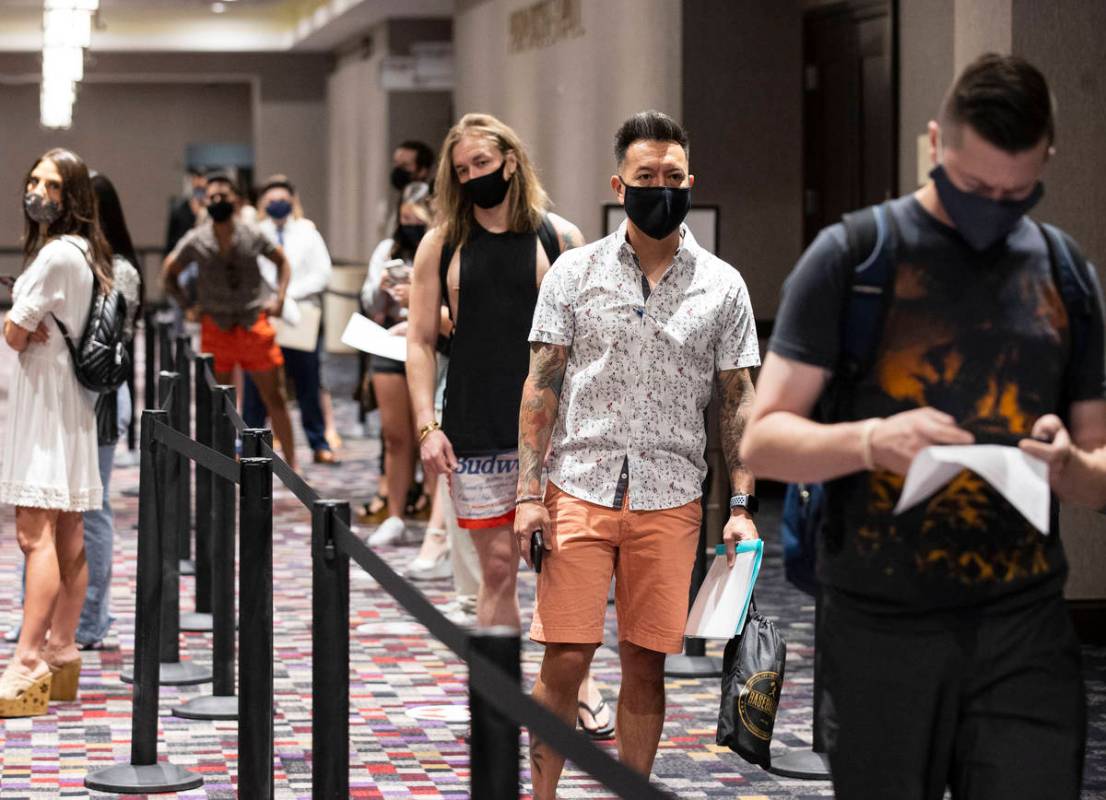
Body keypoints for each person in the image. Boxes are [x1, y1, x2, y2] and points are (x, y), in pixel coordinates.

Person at [740, 54, 1106, 800]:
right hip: (882, 626)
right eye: (974, 187)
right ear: (937, 143)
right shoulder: (854, 257)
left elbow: (1098, 458)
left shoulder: (1063, 271)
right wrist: (870, 441)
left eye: (1016, 193)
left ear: (1046, 159)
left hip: (1024, 626)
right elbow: (763, 440)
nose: (993, 207)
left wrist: (1074, 467)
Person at [515, 111, 761, 795]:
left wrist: (742, 505)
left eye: (673, 177)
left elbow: (738, 401)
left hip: (672, 494)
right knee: (566, 659)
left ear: (691, 182)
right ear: (619, 185)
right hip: (579, 485)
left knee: (646, 663)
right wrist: (528, 496)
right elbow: (541, 385)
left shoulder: (723, 285)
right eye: (647, 176)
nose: (662, 188)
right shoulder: (574, 273)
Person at [408, 112, 616, 740]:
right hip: (475, 422)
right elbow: (419, 341)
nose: (474, 176)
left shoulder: (561, 236)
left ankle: (581, 685)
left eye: (482, 163)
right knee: (497, 569)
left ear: (510, 161)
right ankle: (497, 699)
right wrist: (426, 426)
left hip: (556, 430)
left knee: (563, 568)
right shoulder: (441, 243)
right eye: (461, 169)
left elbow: (592, 338)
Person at [0, 148, 110, 716]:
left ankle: (26, 660)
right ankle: (61, 647)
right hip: (68, 398)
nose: (39, 193)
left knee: (34, 534)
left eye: (53, 186)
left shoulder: (54, 255)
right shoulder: (84, 250)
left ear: (73, 197)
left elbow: (15, 334)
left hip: (45, 399)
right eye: (35, 181)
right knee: (67, 528)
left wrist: (16, 319)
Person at [161, 173, 299, 469]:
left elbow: (282, 262)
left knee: (275, 397)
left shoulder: (252, 234)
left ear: (236, 200)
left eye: (223, 196)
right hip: (216, 326)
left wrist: (279, 299)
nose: (217, 201)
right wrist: (187, 306)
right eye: (212, 197)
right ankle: (222, 463)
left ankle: (293, 464)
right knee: (218, 402)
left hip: (252, 322)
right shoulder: (197, 239)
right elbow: (169, 271)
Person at [75, 173, 141, 651]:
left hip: (101, 395)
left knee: (91, 508)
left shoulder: (119, 270)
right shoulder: (68, 256)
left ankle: (92, 618)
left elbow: (102, 340)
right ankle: (46, 613)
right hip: (66, 395)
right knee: (48, 509)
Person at [362, 181, 438, 546]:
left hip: (430, 344)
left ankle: (436, 520)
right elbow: (369, 303)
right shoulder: (387, 249)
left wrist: (417, 292)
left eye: (417, 222)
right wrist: (382, 288)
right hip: (390, 343)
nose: (411, 228)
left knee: (430, 434)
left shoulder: (439, 244)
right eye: (405, 221)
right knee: (395, 437)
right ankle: (395, 515)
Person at [242, 175, 337, 465]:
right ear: (263, 204)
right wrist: (273, 299)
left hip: (300, 316)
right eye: (271, 201)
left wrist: (287, 294)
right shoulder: (256, 232)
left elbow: (322, 273)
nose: (277, 205)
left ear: (293, 202)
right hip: (265, 315)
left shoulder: (308, 232)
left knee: (308, 382)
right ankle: (249, 443)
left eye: (282, 200)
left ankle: (318, 442)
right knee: (257, 382)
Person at [164, 167, 205, 255]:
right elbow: (171, 240)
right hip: (182, 256)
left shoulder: (210, 210)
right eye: (197, 179)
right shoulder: (179, 208)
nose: (200, 184)